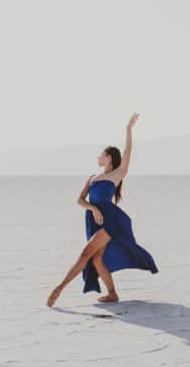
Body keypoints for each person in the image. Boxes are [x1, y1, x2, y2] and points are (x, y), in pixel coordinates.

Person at [47, 114, 158, 306]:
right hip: (94, 219)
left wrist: (128, 130)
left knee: (85, 254)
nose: (98, 157)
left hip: (110, 221)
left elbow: (128, 152)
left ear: (108, 158)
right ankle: (112, 294)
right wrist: (93, 209)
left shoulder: (117, 174)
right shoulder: (92, 178)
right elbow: (80, 200)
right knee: (97, 260)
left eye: (101, 154)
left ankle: (59, 289)